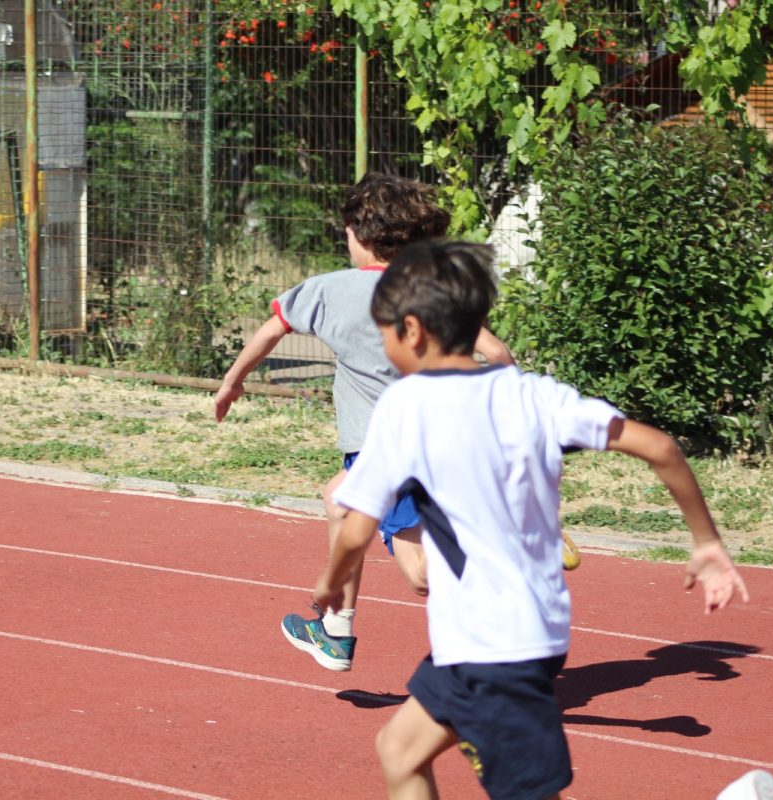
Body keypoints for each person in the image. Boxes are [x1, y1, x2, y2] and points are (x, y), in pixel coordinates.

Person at [311, 239, 749, 800]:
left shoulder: (407, 407)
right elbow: (661, 448)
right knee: (399, 750)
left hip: (490, 647)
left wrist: (330, 584)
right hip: (516, 633)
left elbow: (355, 525)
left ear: (412, 331)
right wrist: (707, 543)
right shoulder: (535, 396)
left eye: (383, 332)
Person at [214, 173, 515, 672]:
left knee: (420, 573)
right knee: (338, 499)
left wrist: (232, 381)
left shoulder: (329, 290)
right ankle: (336, 630)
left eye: (348, 233)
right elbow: (498, 354)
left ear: (362, 235)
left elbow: (269, 333)